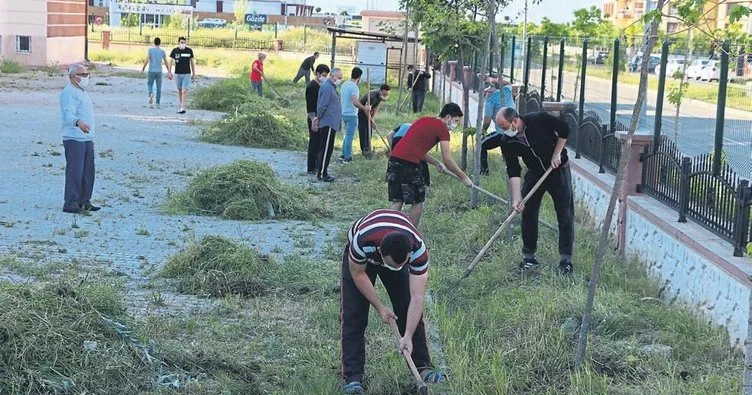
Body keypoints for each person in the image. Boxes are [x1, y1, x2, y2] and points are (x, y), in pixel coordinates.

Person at [340, 209, 447, 394]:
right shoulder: (361, 241)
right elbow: (358, 275)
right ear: (381, 252)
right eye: (393, 265)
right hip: (363, 260)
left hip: (391, 251)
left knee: (407, 307)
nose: (397, 268)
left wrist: (407, 335)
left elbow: (417, 297)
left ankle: (423, 367)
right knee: (354, 314)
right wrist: (380, 307)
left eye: (401, 265)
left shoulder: (417, 250)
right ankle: (353, 378)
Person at [495, 107, 575, 275]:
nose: (503, 131)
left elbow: (564, 130)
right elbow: (513, 169)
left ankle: (566, 259)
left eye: (504, 127)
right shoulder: (506, 140)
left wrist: (557, 153)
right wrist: (517, 198)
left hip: (557, 170)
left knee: (564, 213)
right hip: (535, 173)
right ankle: (529, 257)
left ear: (515, 121)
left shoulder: (538, 119)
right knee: (528, 211)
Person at [387, 103, 472, 226]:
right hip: (409, 164)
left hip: (394, 160)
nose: (455, 125)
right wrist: (463, 177)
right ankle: (412, 235)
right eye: (456, 121)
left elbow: (416, 150)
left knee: (397, 200)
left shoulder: (424, 120)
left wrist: (436, 163)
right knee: (417, 201)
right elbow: (448, 159)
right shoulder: (442, 130)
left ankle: (387, 230)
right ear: (448, 117)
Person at [60, 64, 100, 214]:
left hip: (86, 138)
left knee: (88, 172)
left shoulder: (81, 91)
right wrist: (78, 122)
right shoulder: (68, 93)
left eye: (87, 74)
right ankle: (71, 202)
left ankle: (84, 201)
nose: (86, 77)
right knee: (75, 171)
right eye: (82, 74)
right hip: (74, 137)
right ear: (73, 76)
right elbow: (67, 114)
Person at [386, 122, 437, 191]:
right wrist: (437, 163)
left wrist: (393, 150)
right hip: (407, 140)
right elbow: (422, 154)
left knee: (395, 163)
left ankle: (394, 182)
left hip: (396, 140)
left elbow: (389, 135)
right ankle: (425, 184)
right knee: (422, 164)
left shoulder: (405, 124)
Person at [480, 79, 515, 175]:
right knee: (507, 149)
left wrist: (482, 132)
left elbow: (486, 122)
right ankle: (509, 171)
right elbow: (508, 83)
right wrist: (494, 79)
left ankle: (483, 172)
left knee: (481, 144)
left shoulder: (489, 101)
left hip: (502, 132)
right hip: (515, 130)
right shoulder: (506, 92)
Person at [314, 67, 343, 182]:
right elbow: (322, 105)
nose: (340, 79)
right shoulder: (327, 87)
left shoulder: (331, 87)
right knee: (326, 148)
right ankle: (322, 173)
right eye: (339, 77)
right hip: (328, 122)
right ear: (332, 76)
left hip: (331, 122)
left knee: (328, 148)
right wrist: (318, 118)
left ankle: (323, 171)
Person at [339, 67, 371, 163]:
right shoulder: (354, 87)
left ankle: (343, 154)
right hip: (351, 114)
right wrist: (365, 108)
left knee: (346, 135)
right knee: (349, 136)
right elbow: (355, 101)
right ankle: (347, 157)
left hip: (343, 113)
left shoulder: (344, 84)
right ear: (359, 77)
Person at [306, 64, 330, 175]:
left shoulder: (321, 85)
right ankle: (311, 167)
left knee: (319, 143)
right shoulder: (312, 87)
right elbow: (310, 107)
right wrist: (313, 121)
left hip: (320, 118)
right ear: (318, 74)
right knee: (314, 142)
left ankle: (316, 165)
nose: (325, 77)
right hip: (314, 118)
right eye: (324, 75)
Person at [356, 84, 390, 158]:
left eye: (386, 94)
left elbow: (377, 107)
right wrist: (371, 121)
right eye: (384, 94)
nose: (385, 96)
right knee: (364, 132)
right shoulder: (372, 96)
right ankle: (364, 151)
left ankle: (368, 148)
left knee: (369, 132)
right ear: (380, 91)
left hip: (369, 113)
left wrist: (372, 119)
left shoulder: (380, 97)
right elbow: (366, 110)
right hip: (362, 112)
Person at [168, 37, 196, 114]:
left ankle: (183, 107)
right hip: (177, 73)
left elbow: (192, 63)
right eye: (181, 42)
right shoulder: (175, 51)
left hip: (186, 73)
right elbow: (170, 61)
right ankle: (181, 105)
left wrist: (194, 74)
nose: (183, 43)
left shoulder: (189, 51)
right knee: (180, 90)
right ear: (178, 42)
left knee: (184, 91)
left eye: (184, 42)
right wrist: (169, 72)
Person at [141, 37, 171, 109]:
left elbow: (147, 60)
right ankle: (157, 103)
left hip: (151, 70)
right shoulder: (162, 51)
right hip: (159, 71)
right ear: (159, 43)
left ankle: (151, 95)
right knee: (159, 87)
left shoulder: (150, 50)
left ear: (154, 42)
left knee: (150, 84)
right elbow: (166, 61)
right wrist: (169, 70)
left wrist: (143, 68)